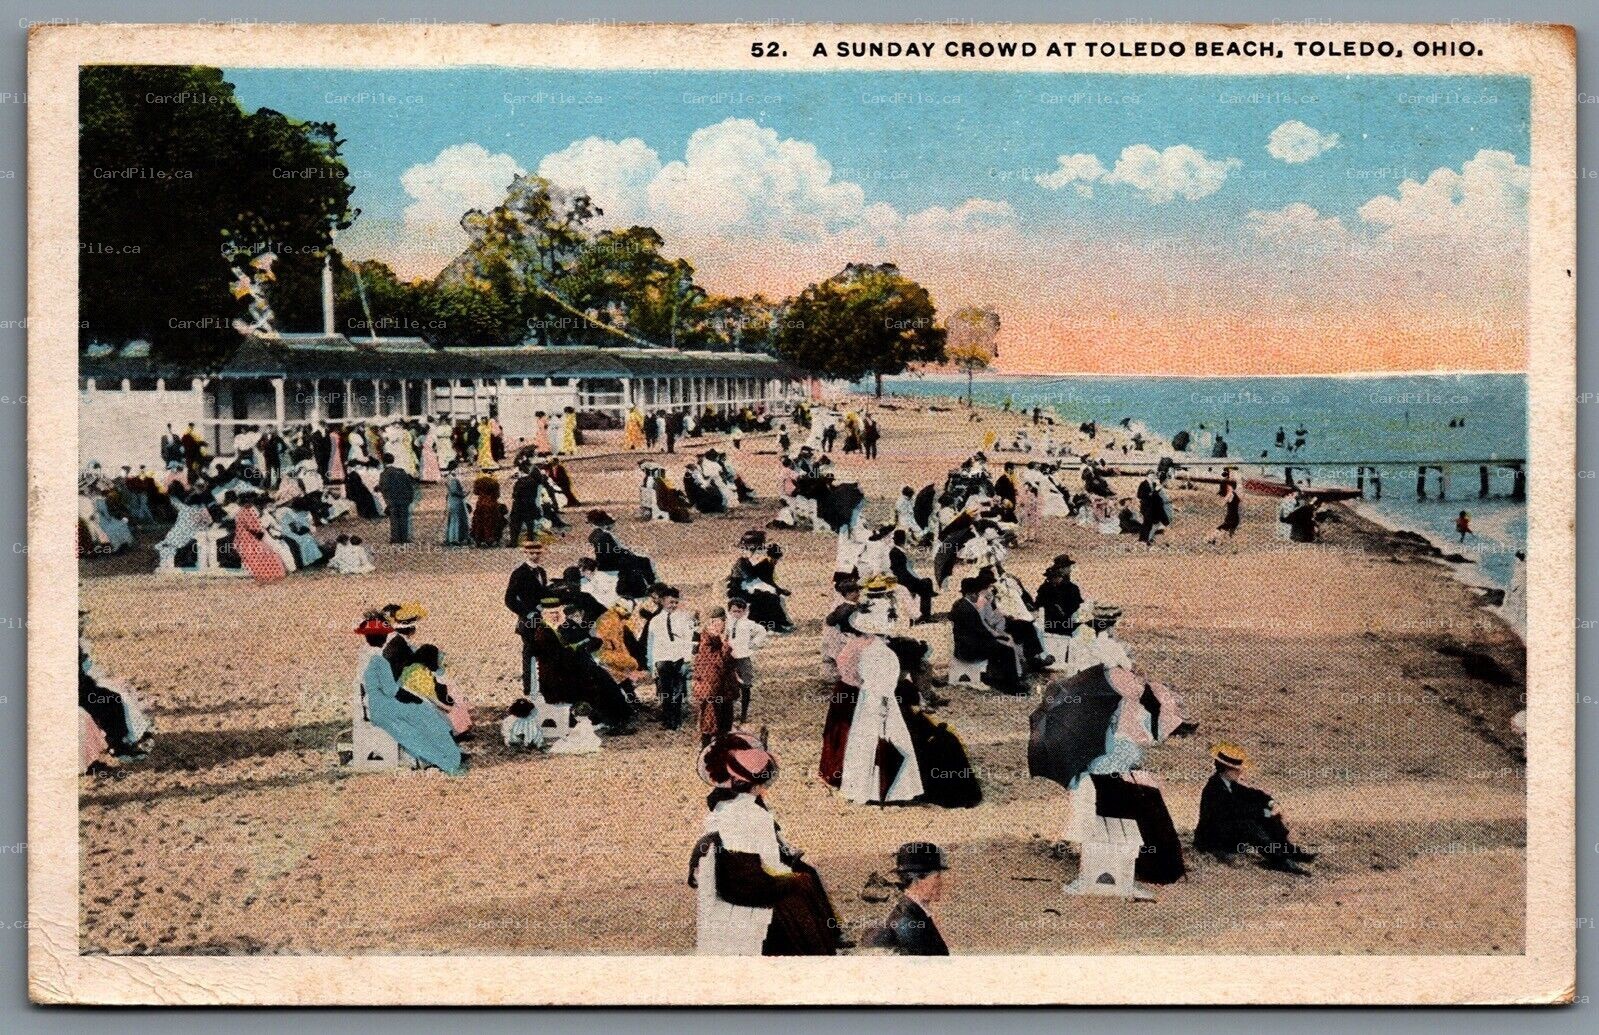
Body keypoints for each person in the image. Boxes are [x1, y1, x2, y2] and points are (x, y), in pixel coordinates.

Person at [688, 731, 843, 955]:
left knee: (803, 875)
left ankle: (827, 933)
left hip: (729, 878)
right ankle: (822, 939)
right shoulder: (755, 813)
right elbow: (770, 863)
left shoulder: (721, 807)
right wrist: (789, 871)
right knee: (804, 880)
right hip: (749, 885)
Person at [839, 580, 924, 805]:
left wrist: (864, 687)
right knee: (890, 739)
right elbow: (886, 683)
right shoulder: (883, 653)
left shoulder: (868, 651)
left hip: (868, 699)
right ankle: (893, 790)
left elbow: (857, 676)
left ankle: (864, 788)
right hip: (883, 700)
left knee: (863, 741)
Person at [355, 615, 463, 774]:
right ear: (382, 637)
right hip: (382, 705)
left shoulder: (366, 654)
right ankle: (439, 758)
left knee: (423, 711)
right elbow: (391, 690)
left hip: (372, 702)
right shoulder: (378, 659)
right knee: (424, 714)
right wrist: (411, 698)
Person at [1193, 743, 1316, 875]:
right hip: (1212, 839)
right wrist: (1264, 812)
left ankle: (1289, 851)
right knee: (1249, 825)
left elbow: (1254, 794)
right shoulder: (1214, 788)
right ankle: (1279, 860)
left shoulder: (1230, 784)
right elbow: (1236, 811)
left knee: (1270, 818)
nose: (1240, 772)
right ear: (1226, 769)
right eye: (1236, 769)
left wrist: (1270, 803)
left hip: (1227, 831)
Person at [861, 843, 951, 955]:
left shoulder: (912, 913)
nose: (941, 883)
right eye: (937, 877)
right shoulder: (908, 921)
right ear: (916, 879)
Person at [949, 577, 1024, 693]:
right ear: (970, 594)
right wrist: (997, 637)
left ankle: (999, 678)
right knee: (1006, 650)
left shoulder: (962, 605)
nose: (978, 596)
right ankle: (1011, 686)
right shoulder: (967, 609)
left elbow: (977, 630)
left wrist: (995, 638)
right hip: (969, 648)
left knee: (1000, 646)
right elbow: (979, 631)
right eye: (976, 594)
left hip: (967, 644)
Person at [504, 539, 549, 696]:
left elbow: (543, 594)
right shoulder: (519, 573)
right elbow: (509, 599)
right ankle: (529, 689)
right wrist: (527, 613)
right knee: (529, 652)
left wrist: (544, 605)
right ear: (526, 553)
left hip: (540, 618)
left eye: (538, 553)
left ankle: (542, 686)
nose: (535, 556)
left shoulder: (542, 572)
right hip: (527, 619)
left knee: (543, 651)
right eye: (532, 553)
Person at [647, 586, 693, 729]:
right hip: (662, 658)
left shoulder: (683, 618)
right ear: (662, 601)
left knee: (678, 689)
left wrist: (686, 659)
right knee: (665, 690)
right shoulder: (655, 621)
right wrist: (652, 664)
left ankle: (677, 719)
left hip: (678, 657)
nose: (673, 605)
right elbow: (652, 644)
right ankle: (667, 719)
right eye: (670, 602)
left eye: (675, 602)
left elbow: (688, 639)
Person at [692, 607, 738, 745]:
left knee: (725, 723)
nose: (717, 625)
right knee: (710, 724)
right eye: (713, 622)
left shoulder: (720, 639)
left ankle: (721, 749)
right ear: (707, 624)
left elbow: (730, 664)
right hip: (711, 690)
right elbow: (717, 663)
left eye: (721, 621)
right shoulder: (706, 642)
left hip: (723, 689)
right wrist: (726, 646)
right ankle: (706, 752)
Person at [725, 597, 769, 723]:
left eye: (739, 611)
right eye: (733, 611)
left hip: (743, 658)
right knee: (730, 686)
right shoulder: (728, 623)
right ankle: (730, 713)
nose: (736, 614)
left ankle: (744, 713)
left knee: (745, 685)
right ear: (729, 611)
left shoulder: (749, 624)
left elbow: (762, 632)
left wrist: (753, 644)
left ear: (744, 612)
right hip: (730, 658)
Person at [888, 529, 934, 623]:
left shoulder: (899, 550)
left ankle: (929, 597)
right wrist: (916, 581)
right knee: (925, 586)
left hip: (905, 578)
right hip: (904, 581)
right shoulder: (896, 552)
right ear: (904, 539)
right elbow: (902, 572)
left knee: (927, 581)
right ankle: (925, 616)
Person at [377, 453, 415, 545]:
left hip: (392, 500)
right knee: (404, 519)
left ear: (383, 462)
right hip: (404, 499)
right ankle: (404, 538)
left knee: (394, 519)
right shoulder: (402, 471)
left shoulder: (384, 473)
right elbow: (409, 485)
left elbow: (384, 487)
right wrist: (410, 498)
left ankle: (396, 538)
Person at [443, 462, 471, 546]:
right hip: (457, 500)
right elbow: (454, 491)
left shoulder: (447, 477)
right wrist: (464, 494)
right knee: (457, 519)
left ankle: (451, 537)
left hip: (451, 500)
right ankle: (455, 538)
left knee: (452, 519)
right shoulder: (454, 479)